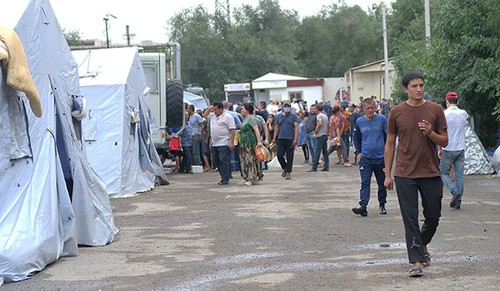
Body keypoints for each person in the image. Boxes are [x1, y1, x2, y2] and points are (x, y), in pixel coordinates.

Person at [384, 72, 448, 277]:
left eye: (421, 85)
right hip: (404, 173)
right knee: (410, 218)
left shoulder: (435, 109)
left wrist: (430, 133)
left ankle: (422, 243)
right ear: (405, 89)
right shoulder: (396, 112)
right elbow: (390, 144)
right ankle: (416, 261)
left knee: (434, 215)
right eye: (414, 86)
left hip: (430, 171)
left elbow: (445, 141)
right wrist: (388, 174)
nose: (419, 89)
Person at [352, 98, 388, 216]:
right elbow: (356, 138)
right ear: (363, 109)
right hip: (366, 158)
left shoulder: (382, 119)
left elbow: (387, 137)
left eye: (372, 108)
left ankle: (382, 204)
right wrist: (358, 152)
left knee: (382, 182)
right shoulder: (359, 121)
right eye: (368, 108)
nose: (370, 110)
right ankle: (363, 206)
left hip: (380, 157)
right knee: (365, 182)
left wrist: (388, 152)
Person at [438, 92, 468, 210]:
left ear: (446, 102)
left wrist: (439, 148)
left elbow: (441, 132)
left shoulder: (443, 114)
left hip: (447, 148)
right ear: (458, 102)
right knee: (459, 176)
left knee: (443, 173)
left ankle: (454, 190)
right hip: (460, 149)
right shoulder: (463, 113)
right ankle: (458, 203)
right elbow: (467, 117)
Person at [204, 101, 236, 185]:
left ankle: (225, 179)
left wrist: (232, 142)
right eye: (213, 109)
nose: (214, 111)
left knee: (223, 160)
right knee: (216, 160)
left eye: (216, 109)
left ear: (221, 109)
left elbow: (232, 130)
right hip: (214, 142)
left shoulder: (228, 117)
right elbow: (204, 115)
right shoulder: (213, 116)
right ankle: (225, 175)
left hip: (224, 141)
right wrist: (209, 108)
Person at [273, 102, 298, 180]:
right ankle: (285, 168)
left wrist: (295, 138)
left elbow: (296, 127)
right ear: (282, 107)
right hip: (281, 138)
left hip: (290, 138)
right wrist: (274, 138)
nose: (286, 108)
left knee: (290, 156)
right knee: (279, 155)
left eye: (288, 106)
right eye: (285, 106)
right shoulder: (279, 116)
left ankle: (288, 172)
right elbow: (276, 127)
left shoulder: (293, 116)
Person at [240, 103, 264, 185]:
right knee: (246, 160)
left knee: (251, 160)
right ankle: (249, 176)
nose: (241, 110)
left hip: (250, 142)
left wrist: (259, 142)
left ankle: (252, 178)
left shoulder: (252, 118)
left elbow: (256, 130)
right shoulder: (245, 119)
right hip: (244, 143)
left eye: (243, 109)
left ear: (247, 110)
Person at [308, 103, 329, 172]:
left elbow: (319, 123)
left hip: (320, 135)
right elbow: (328, 125)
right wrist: (327, 133)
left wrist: (315, 132)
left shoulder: (319, 116)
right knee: (325, 151)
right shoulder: (325, 116)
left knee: (317, 150)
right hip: (325, 134)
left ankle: (314, 167)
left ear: (317, 109)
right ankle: (326, 166)